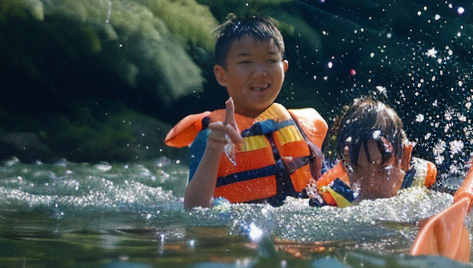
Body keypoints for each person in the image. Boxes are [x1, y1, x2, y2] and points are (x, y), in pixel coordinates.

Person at [166, 15, 327, 209]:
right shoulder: (212, 137)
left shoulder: (304, 127)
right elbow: (194, 211)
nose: (260, 72)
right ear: (221, 75)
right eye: (246, 63)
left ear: (284, 68)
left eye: (270, 60)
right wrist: (214, 148)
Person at [307, 97, 443, 206]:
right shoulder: (334, 198)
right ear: (348, 158)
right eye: (379, 168)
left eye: (387, 165)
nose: (389, 175)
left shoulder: (419, 182)